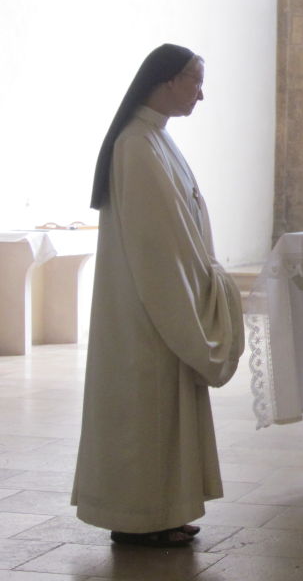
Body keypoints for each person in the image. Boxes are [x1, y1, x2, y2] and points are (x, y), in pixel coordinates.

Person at [72, 44, 245, 547]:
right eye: (194, 80)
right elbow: (158, 244)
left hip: (160, 299)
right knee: (144, 413)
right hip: (145, 310)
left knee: (162, 414)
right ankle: (136, 518)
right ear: (165, 81)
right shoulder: (136, 145)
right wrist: (207, 285)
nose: (201, 92)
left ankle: (161, 511)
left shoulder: (155, 139)